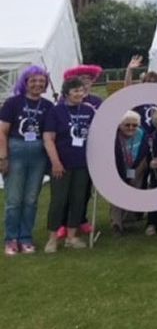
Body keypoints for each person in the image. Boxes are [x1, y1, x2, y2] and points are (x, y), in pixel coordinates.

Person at [0, 66, 54, 255]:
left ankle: (25, 237)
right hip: (16, 150)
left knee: (31, 199)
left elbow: (49, 135)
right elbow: (2, 131)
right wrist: (3, 157)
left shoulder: (48, 106)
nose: (37, 84)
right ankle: (11, 238)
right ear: (25, 82)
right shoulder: (12, 103)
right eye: (33, 80)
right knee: (14, 199)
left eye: (41, 81)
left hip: (38, 154)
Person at [42, 77, 97, 252]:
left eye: (81, 90)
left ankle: (72, 237)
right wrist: (55, 162)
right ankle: (52, 239)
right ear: (66, 93)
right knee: (59, 201)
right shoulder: (56, 111)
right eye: (75, 91)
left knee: (78, 200)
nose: (79, 94)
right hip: (62, 164)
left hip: (82, 164)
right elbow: (48, 138)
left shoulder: (89, 111)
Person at [111, 110, 150, 235]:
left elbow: (145, 152)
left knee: (134, 190)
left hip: (137, 166)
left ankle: (128, 219)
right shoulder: (114, 136)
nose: (131, 128)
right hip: (118, 168)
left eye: (134, 125)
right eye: (127, 125)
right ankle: (116, 224)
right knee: (117, 194)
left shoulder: (142, 134)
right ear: (120, 125)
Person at [124, 54, 157, 134]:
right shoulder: (139, 99)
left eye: (154, 83)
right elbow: (127, 91)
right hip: (142, 136)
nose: (151, 85)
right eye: (149, 82)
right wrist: (129, 70)